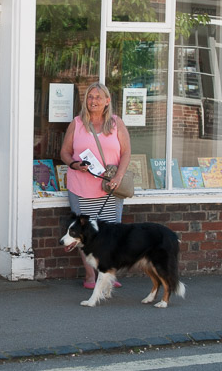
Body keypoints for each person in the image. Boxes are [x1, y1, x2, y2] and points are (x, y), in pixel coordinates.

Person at [60, 82, 131, 290]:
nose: (94, 101)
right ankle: (90, 276)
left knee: (109, 235)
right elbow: (64, 152)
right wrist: (74, 164)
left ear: (107, 101)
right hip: (80, 187)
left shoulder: (117, 123)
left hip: (109, 188)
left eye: (98, 97)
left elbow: (126, 152)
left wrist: (118, 176)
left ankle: (107, 275)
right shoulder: (77, 123)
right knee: (84, 236)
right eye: (90, 97)